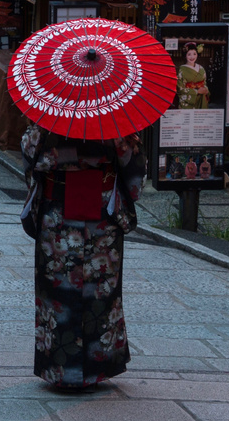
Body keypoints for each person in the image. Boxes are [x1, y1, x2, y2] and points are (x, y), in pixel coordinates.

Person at [20, 123, 147, 391]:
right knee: (99, 291)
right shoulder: (112, 120)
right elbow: (135, 178)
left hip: (57, 218)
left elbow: (29, 156)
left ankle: (58, 368)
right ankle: (97, 367)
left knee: (57, 293)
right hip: (100, 221)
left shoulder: (49, 118)